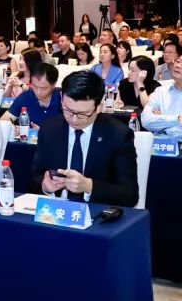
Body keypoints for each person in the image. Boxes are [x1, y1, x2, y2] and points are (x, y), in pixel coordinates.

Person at [29, 70, 139, 207]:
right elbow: (34, 178)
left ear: (99, 106)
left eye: (83, 114)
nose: (74, 119)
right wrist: (45, 186)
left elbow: (130, 195)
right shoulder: (49, 129)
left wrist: (89, 186)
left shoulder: (118, 134)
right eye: (68, 110)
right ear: (61, 98)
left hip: (96, 213)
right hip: (56, 210)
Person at [2, 59, 61, 126]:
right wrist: (13, 128)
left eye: (43, 88)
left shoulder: (63, 98)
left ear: (54, 84)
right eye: (35, 86)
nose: (38, 92)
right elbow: (3, 122)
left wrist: (43, 131)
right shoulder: (26, 96)